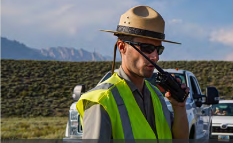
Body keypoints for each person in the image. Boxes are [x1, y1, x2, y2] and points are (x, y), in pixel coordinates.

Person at [76, 5, 190, 141]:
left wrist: (179, 107)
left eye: (158, 50)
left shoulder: (157, 97)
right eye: (147, 48)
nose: (155, 57)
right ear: (122, 47)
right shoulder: (101, 101)